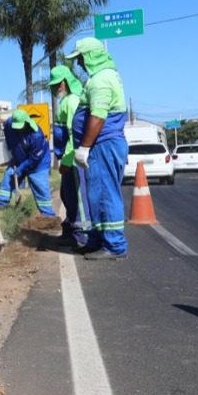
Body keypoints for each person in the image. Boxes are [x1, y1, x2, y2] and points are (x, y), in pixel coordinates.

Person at [67, 38, 128, 259]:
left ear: (91, 56)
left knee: (105, 195)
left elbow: (98, 116)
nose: (80, 64)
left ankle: (114, 245)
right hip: (100, 146)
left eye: (81, 58)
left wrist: (84, 147)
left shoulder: (102, 80)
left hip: (103, 145)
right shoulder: (102, 77)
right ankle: (98, 239)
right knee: (95, 195)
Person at [49, 65, 90, 246]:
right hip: (66, 159)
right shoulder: (65, 101)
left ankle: (83, 236)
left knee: (79, 198)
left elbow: (74, 135)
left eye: (58, 83)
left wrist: (66, 159)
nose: (56, 87)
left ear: (65, 82)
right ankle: (71, 230)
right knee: (68, 196)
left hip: (72, 159)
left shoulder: (73, 101)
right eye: (54, 84)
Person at [0, 109, 55, 215]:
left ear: (26, 122)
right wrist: (12, 155)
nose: (18, 129)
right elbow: (9, 140)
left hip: (38, 164)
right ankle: (0, 204)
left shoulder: (36, 135)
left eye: (20, 126)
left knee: (40, 188)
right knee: (8, 178)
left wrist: (21, 169)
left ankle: (48, 216)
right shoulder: (9, 124)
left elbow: (34, 159)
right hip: (18, 157)